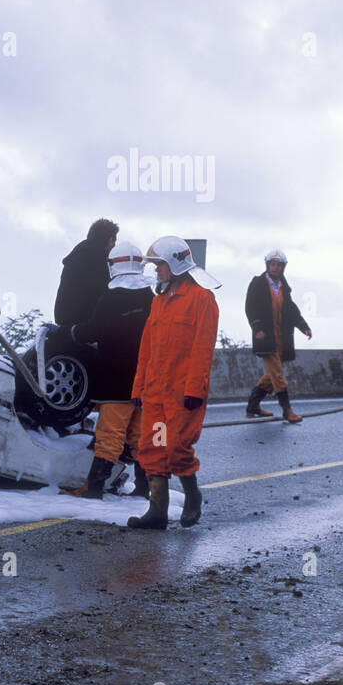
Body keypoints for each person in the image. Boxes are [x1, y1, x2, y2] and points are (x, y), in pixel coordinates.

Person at [127, 236, 220, 531]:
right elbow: (146, 349)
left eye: (160, 265)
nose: (156, 271)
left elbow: (202, 348)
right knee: (153, 447)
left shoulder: (202, 300)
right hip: (155, 392)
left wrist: (194, 389)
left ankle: (193, 495)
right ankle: (157, 511)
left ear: (176, 265)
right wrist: (139, 388)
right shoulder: (159, 300)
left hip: (183, 392)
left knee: (177, 447)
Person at [61, 239, 154, 499]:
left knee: (109, 434)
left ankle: (93, 488)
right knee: (139, 436)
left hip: (116, 379)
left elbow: (93, 329)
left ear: (114, 264)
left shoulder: (113, 295)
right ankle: (145, 488)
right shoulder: (151, 296)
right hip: (145, 379)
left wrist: (69, 332)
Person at [244, 248, 312, 424]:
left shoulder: (283, 287)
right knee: (279, 376)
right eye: (272, 265)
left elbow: (291, 310)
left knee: (272, 374)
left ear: (283, 268)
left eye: (278, 266)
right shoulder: (257, 283)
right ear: (267, 265)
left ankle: (253, 406)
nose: (275, 268)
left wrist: (303, 326)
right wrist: (256, 327)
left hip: (281, 338)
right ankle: (287, 410)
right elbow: (250, 307)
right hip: (265, 337)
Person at [54, 218, 119, 326]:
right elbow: (103, 298)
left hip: (64, 323)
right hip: (81, 329)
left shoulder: (77, 257)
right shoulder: (95, 263)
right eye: (114, 241)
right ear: (110, 240)